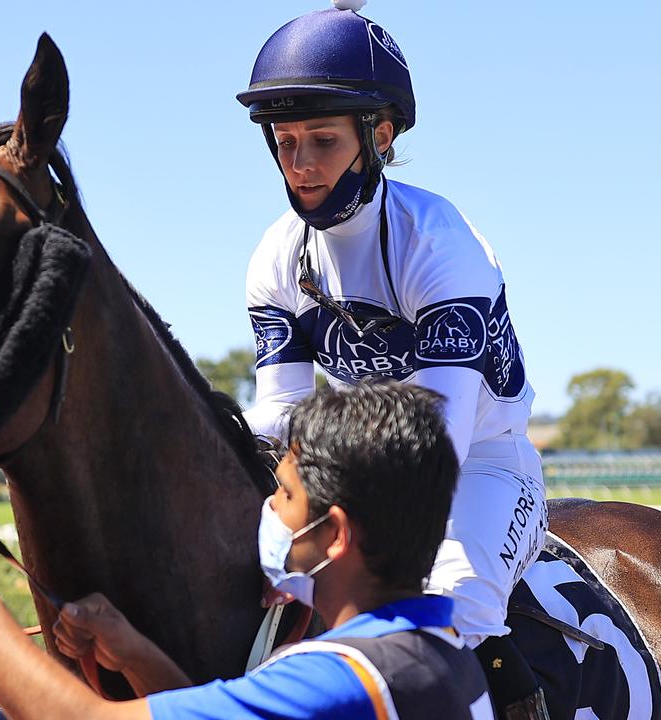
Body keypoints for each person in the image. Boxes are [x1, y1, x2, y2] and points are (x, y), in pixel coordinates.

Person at [235, 3, 548, 717]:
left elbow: (436, 444)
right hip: (355, 475)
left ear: (379, 136)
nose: (300, 164)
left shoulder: (442, 245)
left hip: (482, 464)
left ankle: (513, 686)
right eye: (285, 142)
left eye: (321, 140)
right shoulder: (274, 257)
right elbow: (278, 414)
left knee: (453, 603)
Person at [0, 382, 494, 719]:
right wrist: (134, 650)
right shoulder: (440, 653)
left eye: (283, 494)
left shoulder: (342, 680)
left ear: (334, 535)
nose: (270, 511)